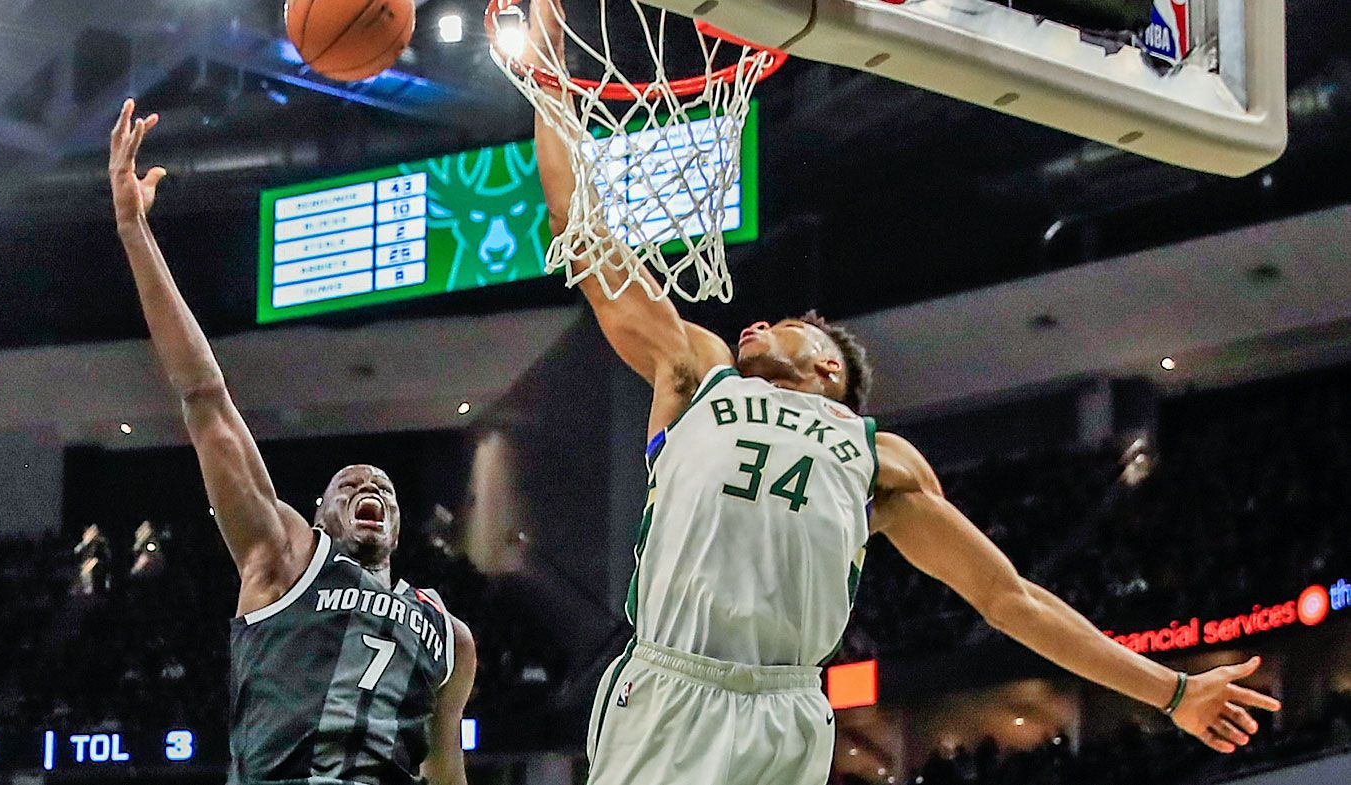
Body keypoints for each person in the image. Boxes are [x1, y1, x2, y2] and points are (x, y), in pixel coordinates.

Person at [523, 4, 1282, 783]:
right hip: (671, 683)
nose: (755, 322)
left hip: (787, 707)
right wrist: (550, 87)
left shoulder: (878, 459)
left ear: (829, 372)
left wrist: (1172, 689)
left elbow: (1011, 599)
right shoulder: (696, 372)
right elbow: (585, 235)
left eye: (788, 325)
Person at [108, 99, 474, 785]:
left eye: (384, 489)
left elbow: (445, 767)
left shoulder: (447, 634)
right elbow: (204, 397)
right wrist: (135, 231)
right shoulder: (283, 555)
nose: (370, 488)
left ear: (397, 522)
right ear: (320, 515)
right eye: (350, 485)